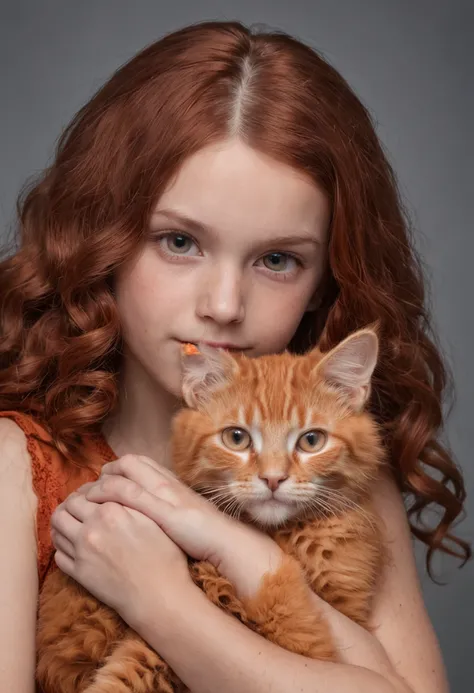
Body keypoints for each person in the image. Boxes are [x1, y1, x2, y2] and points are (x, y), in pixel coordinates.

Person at [0, 20, 469, 693]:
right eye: (180, 242)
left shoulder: (338, 471)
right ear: (103, 238)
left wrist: (167, 601)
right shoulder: (17, 470)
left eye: (277, 259)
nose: (223, 304)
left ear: (323, 284)